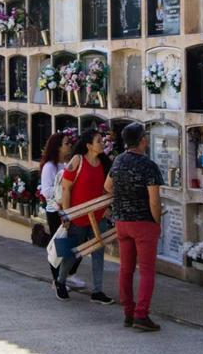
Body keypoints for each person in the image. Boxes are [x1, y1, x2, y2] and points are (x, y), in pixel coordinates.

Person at [104, 122, 163, 331]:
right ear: (142, 141)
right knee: (146, 271)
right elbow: (154, 201)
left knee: (126, 269)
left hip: (122, 223)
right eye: (145, 136)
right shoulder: (148, 165)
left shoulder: (118, 161)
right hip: (143, 223)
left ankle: (128, 313)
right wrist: (157, 222)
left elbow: (107, 186)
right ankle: (141, 315)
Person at [55, 128, 113, 305]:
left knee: (98, 253)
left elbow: (107, 187)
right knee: (72, 253)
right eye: (98, 141)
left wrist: (107, 206)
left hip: (98, 216)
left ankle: (97, 291)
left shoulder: (104, 163)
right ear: (89, 145)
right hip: (78, 217)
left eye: (102, 140)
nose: (102, 143)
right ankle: (60, 281)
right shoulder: (77, 160)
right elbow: (66, 188)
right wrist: (67, 215)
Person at [39, 132, 84, 292]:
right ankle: (57, 280)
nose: (69, 146)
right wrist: (63, 191)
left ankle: (69, 275)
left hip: (68, 208)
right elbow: (46, 191)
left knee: (77, 244)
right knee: (60, 245)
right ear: (57, 147)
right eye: (66, 143)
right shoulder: (49, 167)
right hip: (56, 212)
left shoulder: (65, 165)